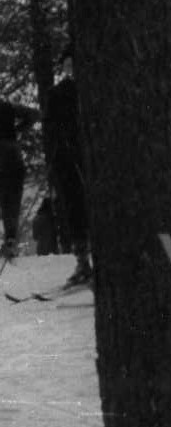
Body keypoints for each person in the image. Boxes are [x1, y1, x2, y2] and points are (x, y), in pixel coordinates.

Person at [43, 43, 91, 284]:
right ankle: (83, 262)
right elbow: (49, 126)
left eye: (74, 64)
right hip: (65, 158)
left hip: (88, 156)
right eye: (67, 65)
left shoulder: (90, 90)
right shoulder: (57, 93)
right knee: (75, 210)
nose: (70, 69)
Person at [0, 96, 38, 260]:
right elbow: (34, 114)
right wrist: (18, 129)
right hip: (12, 152)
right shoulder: (8, 106)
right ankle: (10, 240)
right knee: (12, 199)